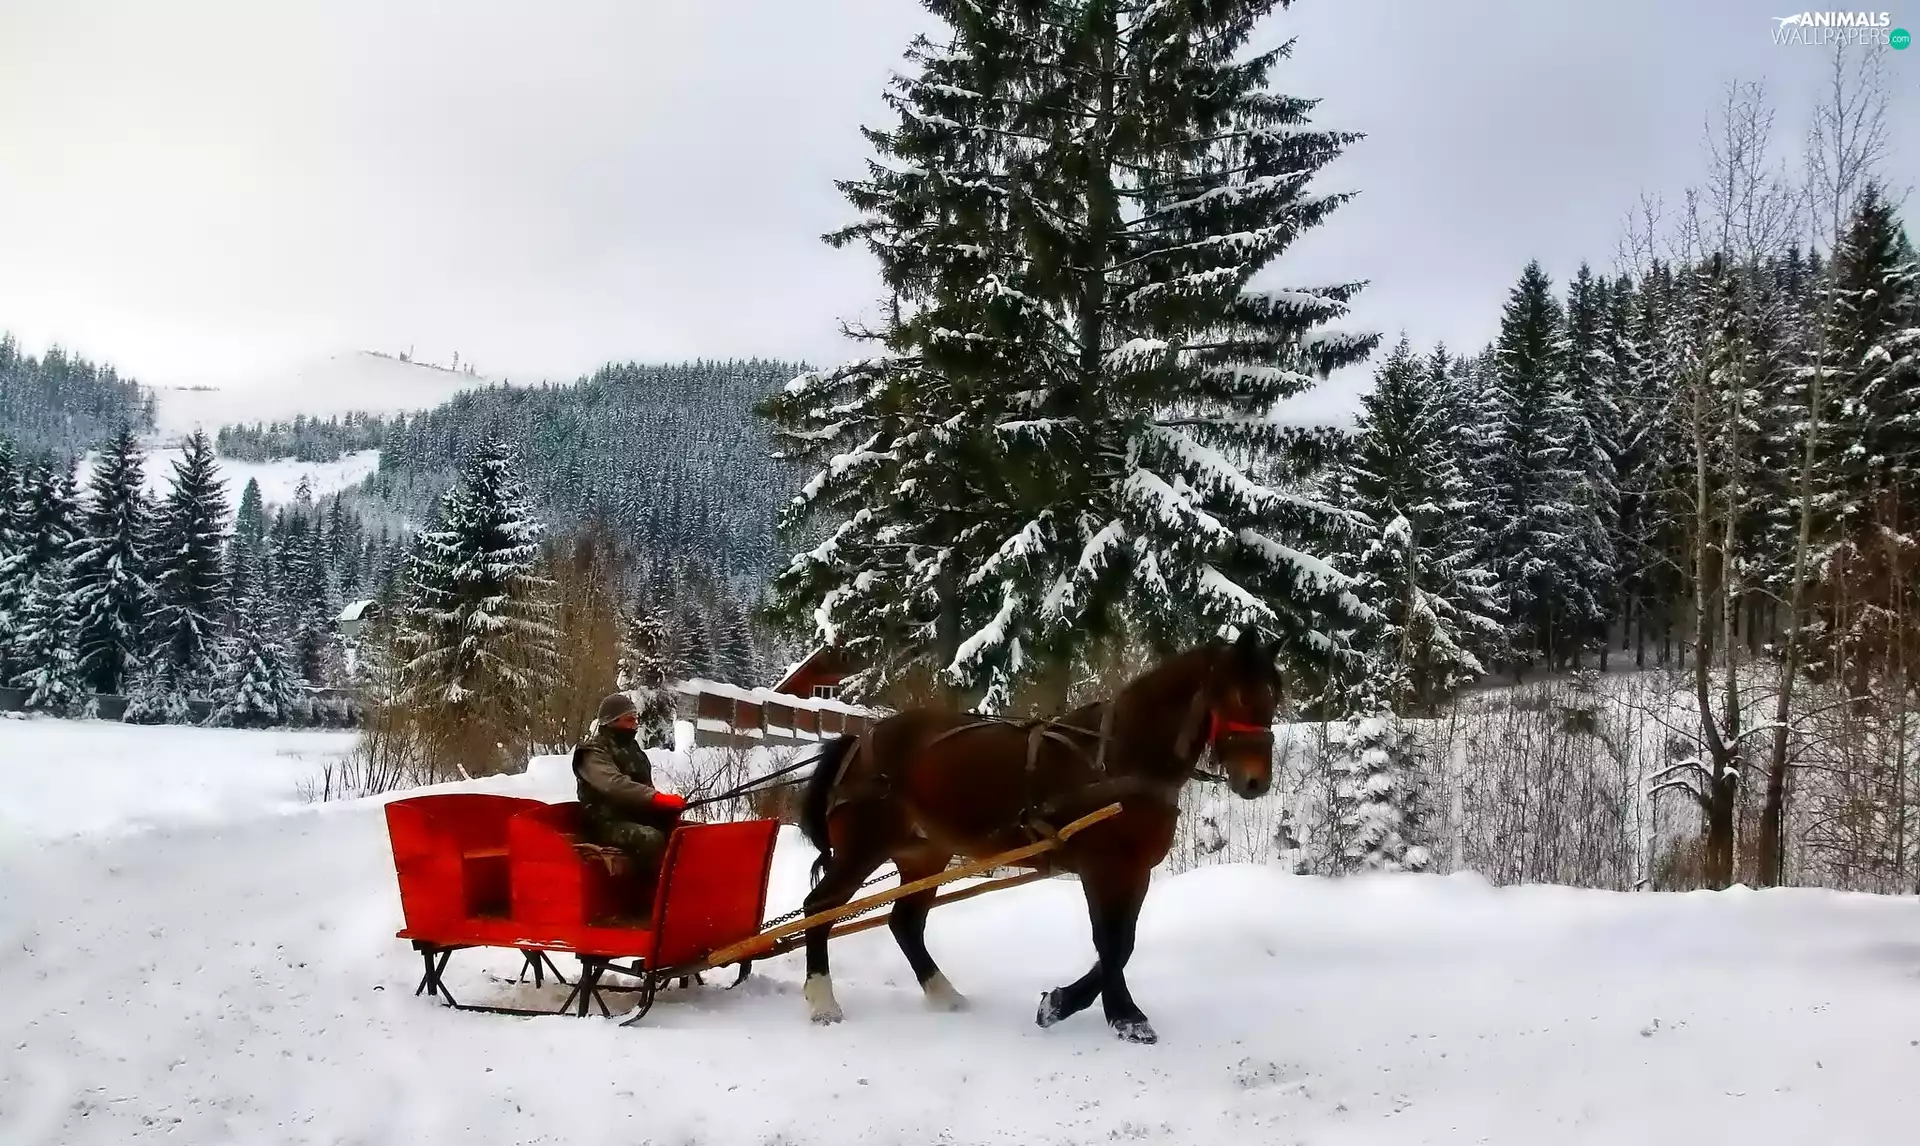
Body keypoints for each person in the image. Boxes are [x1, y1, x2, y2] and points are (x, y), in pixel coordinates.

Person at [573, 692, 686, 874]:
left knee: (682, 831)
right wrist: (655, 798)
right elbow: (613, 784)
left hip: (634, 819)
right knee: (649, 838)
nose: (634, 725)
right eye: (629, 720)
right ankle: (645, 895)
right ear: (611, 721)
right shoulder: (592, 752)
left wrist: (664, 809)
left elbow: (645, 785)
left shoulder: (634, 750)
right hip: (603, 825)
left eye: (635, 720)